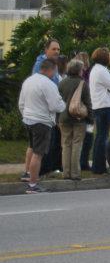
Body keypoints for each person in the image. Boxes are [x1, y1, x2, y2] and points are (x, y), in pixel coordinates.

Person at [19, 59, 66, 193]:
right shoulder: (48, 84)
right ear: (51, 69)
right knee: (38, 154)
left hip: (28, 119)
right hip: (42, 121)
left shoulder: (28, 81)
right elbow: (55, 105)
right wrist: (64, 105)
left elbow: (21, 103)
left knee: (32, 148)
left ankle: (29, 175)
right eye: (55, 71)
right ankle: (33, 184)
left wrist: (25, 115)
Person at [56, 59, 91, 181]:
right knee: (77, 144)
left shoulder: (62, 83)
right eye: (82, 69)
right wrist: (90, 118)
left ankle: (66, 173)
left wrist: (57, 118)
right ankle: (75, 173)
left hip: (63, 118)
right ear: (78, 70)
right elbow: (88, 102)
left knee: (65, 145)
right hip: (79, 118)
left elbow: (57, 101)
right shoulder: (82, 83)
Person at [89, 47, 110, 174]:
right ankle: (100, 167)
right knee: (102, 137)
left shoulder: (96, 69)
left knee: (100, 137)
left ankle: (97, 165)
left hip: (98, 106)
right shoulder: (102, 71)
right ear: (105, 57)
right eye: (109, 54)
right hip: (104, 106)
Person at [75, 51, 94, 172]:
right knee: (87, 137)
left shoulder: (77, 76)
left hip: (79, 109)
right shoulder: (88, 76)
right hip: (86, 109)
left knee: (81, 138)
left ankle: (81, 161)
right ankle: (83, 161)